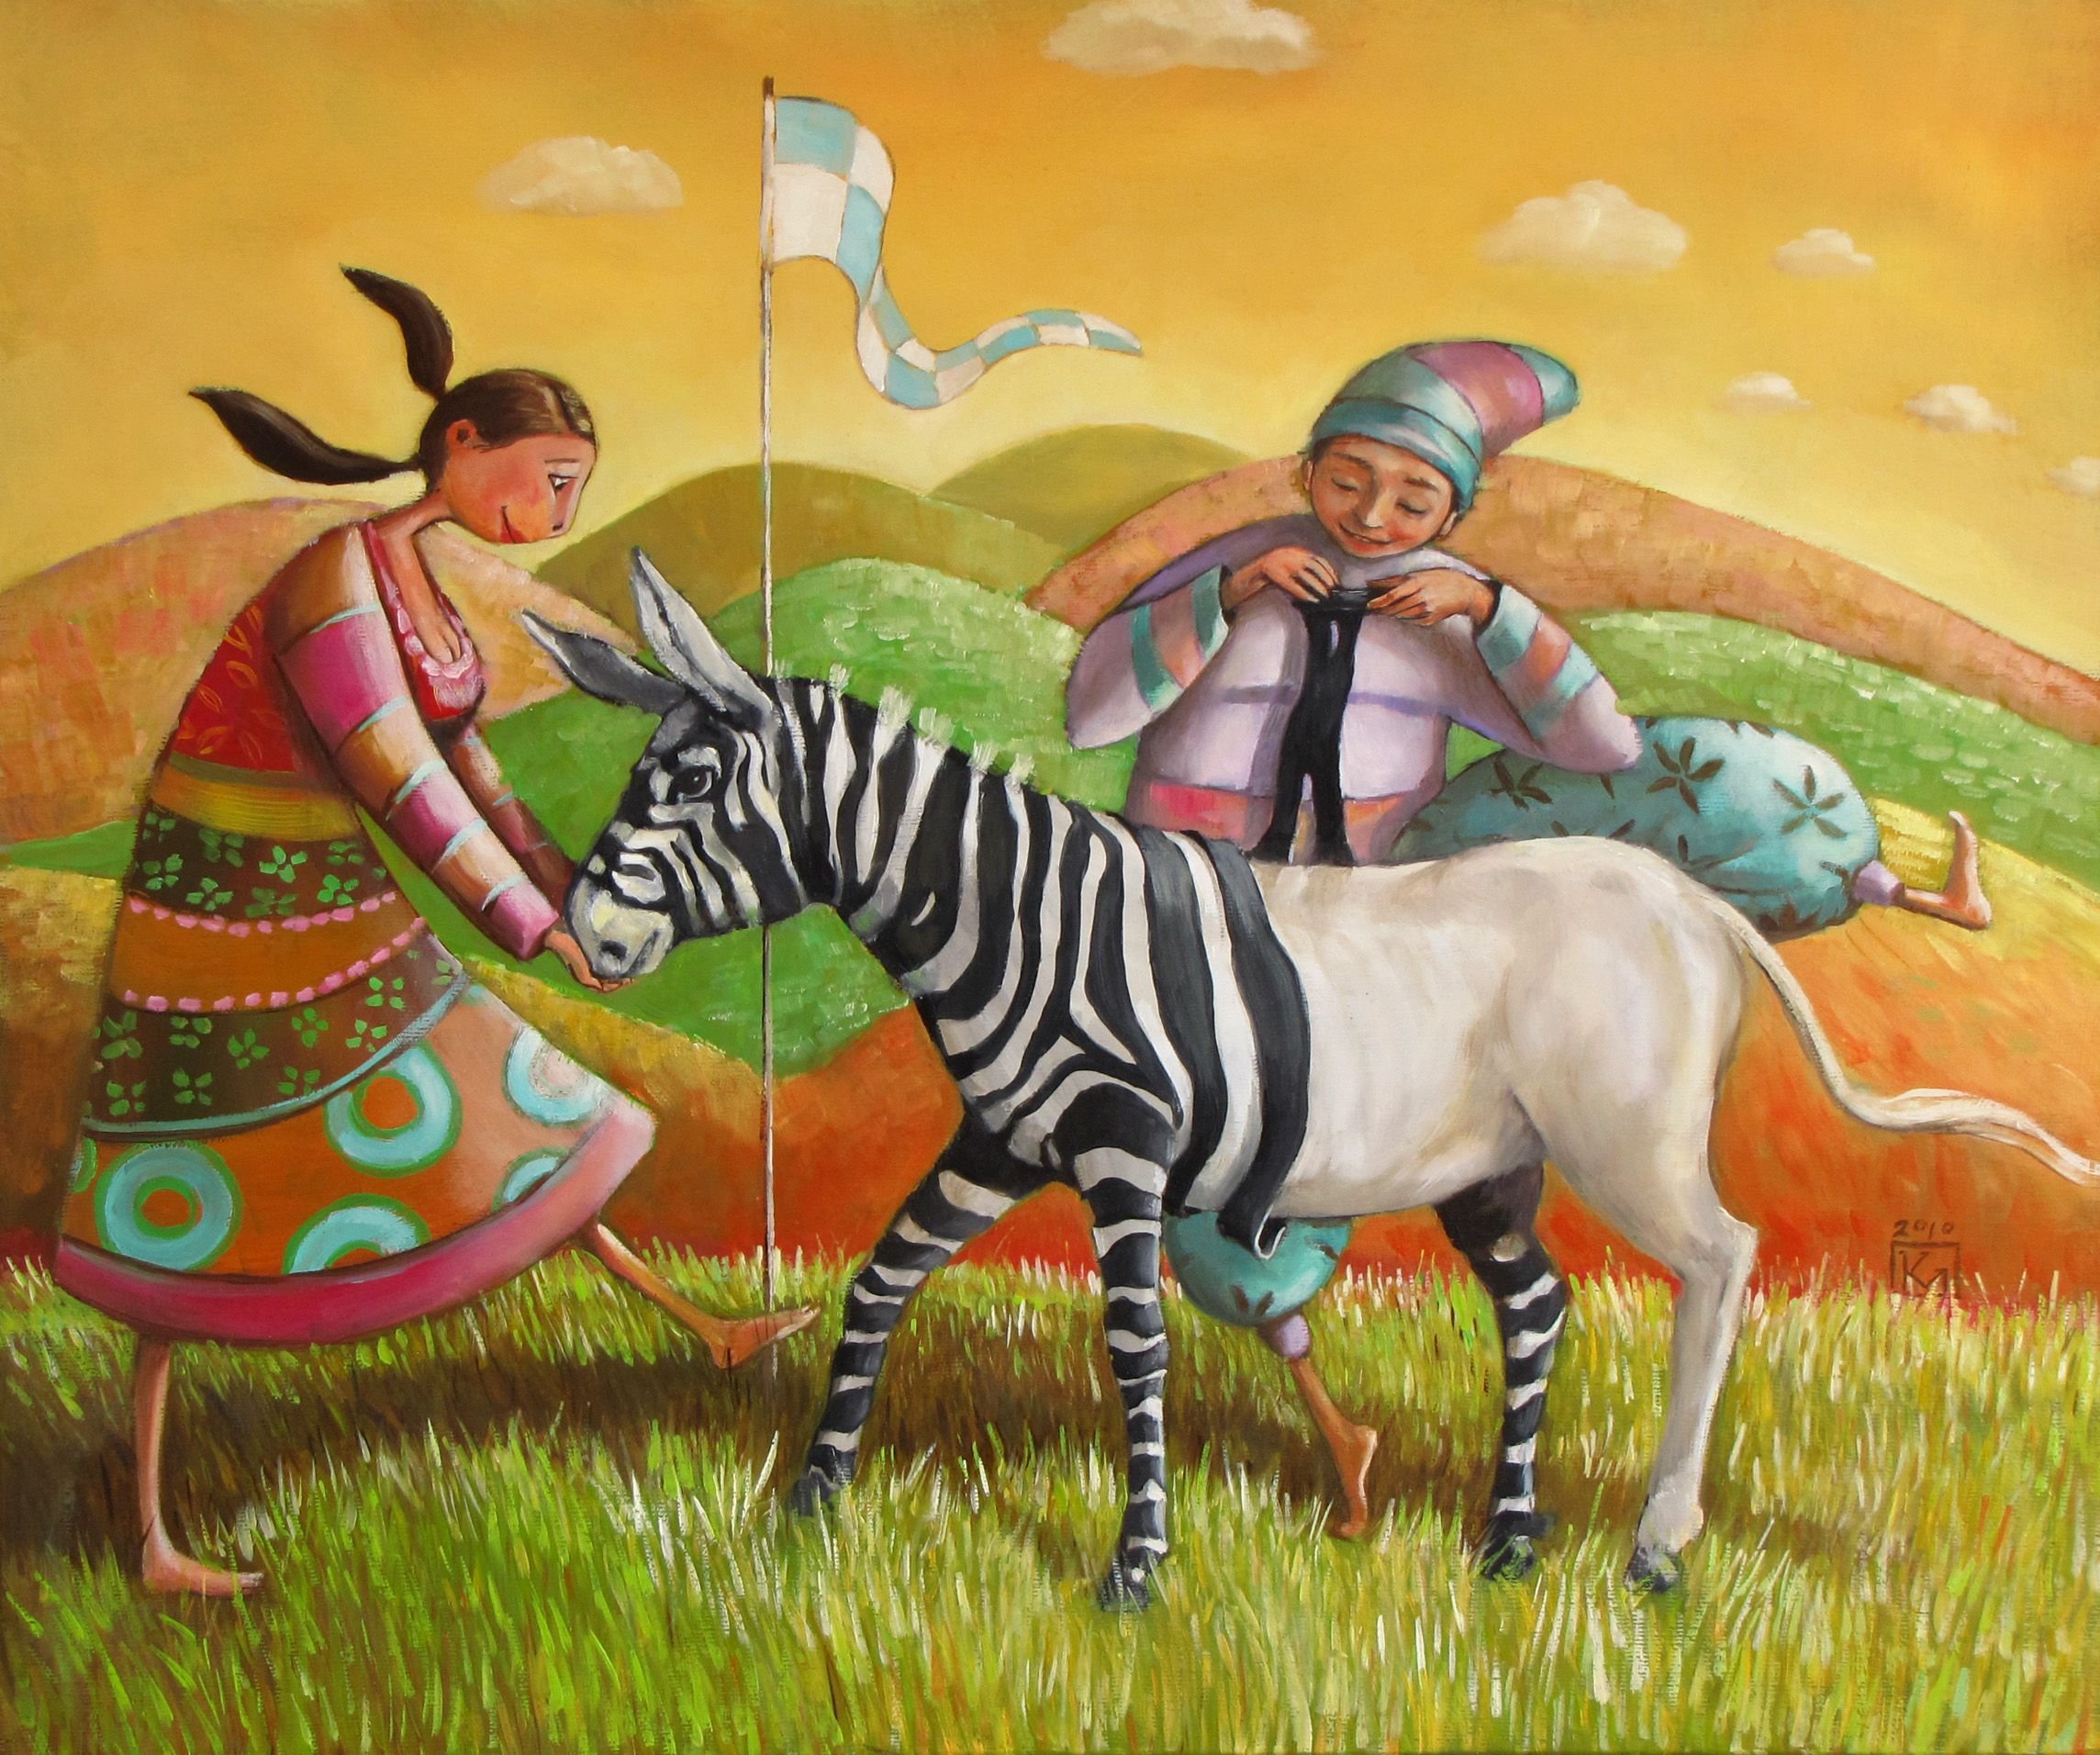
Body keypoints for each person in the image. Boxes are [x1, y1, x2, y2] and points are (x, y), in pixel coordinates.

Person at [1065, 338, 1992, 1544]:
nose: (1375, 516)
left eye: (1416, 500)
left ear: (1457, 512)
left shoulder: (1446, 606)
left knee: (1465, 1186)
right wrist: (1225, 598)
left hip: (1370, 959)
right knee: (1204, 1215)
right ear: (1305, 469)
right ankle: (1314, 1426)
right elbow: (1091, 710)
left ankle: (1476, 1464)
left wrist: (1493, 614)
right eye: (1348, 481)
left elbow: (1602, 745)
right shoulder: (1235, 572)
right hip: (1190, 929)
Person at [54, 268, 812, 1598]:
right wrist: (533, 927)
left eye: (574, 490)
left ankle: (701, 1325)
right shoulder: (335, 585)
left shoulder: (420, 581)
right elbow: (400, 777)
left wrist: (569, 886)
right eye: (551, 479)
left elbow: (474, 766)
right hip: (231, 901)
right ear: (462, 443)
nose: (557, 514)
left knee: (502, 1091)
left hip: (325, 892)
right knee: (183, 1183)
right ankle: (154, 1538)